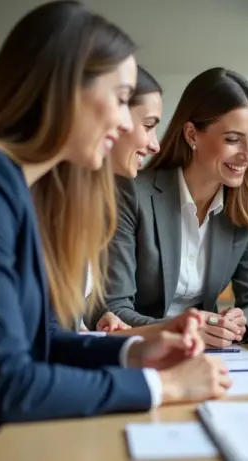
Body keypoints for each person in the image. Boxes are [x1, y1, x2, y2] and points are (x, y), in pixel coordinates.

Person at [0, 2, 229, 457]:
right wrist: (161, 386)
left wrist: (135, 355)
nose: (126, 122)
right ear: (67, 88)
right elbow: (10, 384)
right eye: (120, 98)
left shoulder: (19, 187)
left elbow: (42, 340)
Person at [101, 67, 248, 348]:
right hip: (143, 350)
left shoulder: (244, 205)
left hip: (212, 354)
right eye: (232, 139)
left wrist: (243, 320)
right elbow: (113, 309)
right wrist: (187, 327)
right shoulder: (132, 192)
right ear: (192, 134)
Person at [85, 65, 164, 333]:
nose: (155, 145)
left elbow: (61, 321)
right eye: (148, 125)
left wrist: (100, 319)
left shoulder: (99, 198)